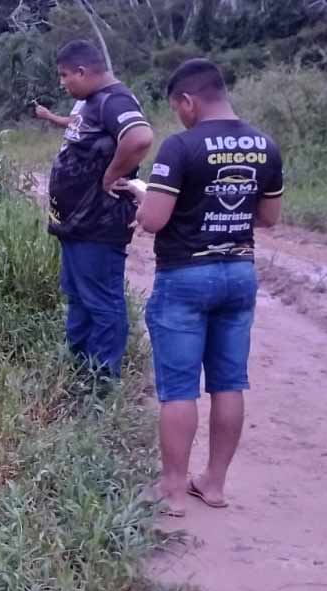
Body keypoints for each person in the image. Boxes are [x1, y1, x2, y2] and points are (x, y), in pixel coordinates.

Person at [114, 59, 283, 517]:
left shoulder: (182, 147)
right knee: (230, 382)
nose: (180, 117)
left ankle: (171, 488)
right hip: (239, 273)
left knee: (179, 388)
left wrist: (143, 192)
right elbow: (268, 219)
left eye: (178, 108)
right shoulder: (265, 146)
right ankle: (214, 484)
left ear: (188, 101)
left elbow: (153, 220)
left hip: (186, 275)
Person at [46, 40, 154, 385]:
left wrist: (111, 175)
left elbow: (138, 138)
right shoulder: (89, 102)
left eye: (65, 75)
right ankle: (78, 371)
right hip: (77, 222)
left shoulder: (114, 100)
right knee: (78, 296)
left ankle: (102, 384)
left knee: (102, 301)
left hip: (99, 222)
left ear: (82, 71)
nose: (63, 82)